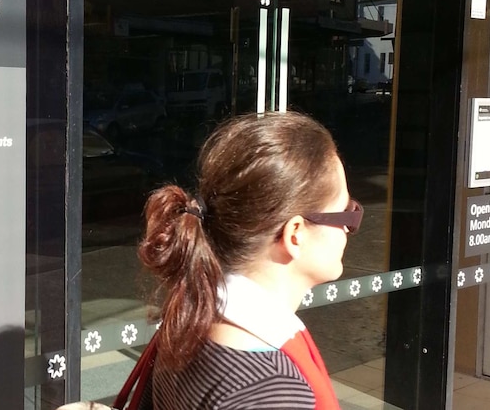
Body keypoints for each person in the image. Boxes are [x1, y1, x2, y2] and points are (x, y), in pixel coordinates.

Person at [137, 111, 363, 409]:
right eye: (346, 213)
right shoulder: (269, 391)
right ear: (295, 234)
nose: (349, 227)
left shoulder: (189, 319)